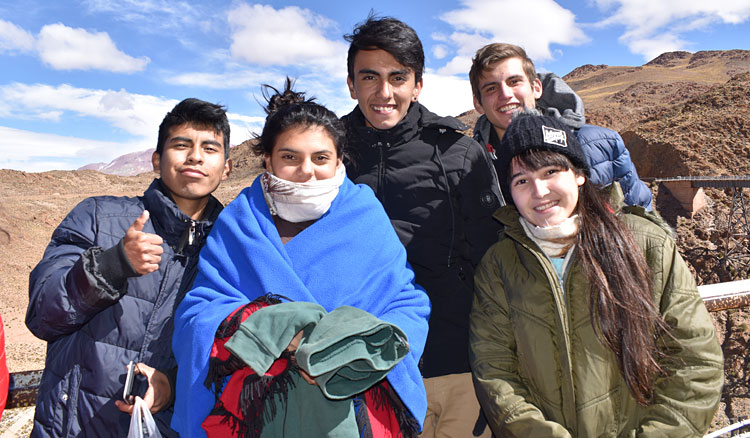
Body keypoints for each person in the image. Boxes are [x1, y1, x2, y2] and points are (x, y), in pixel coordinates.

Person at [171, 79, 430, 438]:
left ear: (339, 160)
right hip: (255, 412)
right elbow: (198, 312)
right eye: (290, 157)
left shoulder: (365, 216)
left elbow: (407, 303)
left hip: (349, 407)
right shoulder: (240, 222)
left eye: (321, 158)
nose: (306, 170)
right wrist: (277, 329)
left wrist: (350, 346)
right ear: (268, 159)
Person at [469, 112, 724, 437]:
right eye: (521, 180)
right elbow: (495, 371)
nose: (539, 190)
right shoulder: (499, 265)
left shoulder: (645, 243)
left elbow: (695, 360)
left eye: (551, 171)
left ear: (578, 174)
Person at [25, 98, 231, 437]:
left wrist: (172, 388)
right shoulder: (96, 217)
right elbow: (43, 315)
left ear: (226, 167)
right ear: (156, 159)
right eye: (181, 145)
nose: (195, 156)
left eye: (210, 148)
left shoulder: (232, 248)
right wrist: (113, 265)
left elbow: (233, 355)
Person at [341, 15, 500, 438]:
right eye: (369, 77)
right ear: (351, 83)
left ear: (418, 84)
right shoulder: (325, 154)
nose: (384, 92)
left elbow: (493, 262)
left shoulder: (459, 154)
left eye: (398, 77)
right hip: (353, 373)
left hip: (453, 370)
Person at [469, 42, 653, 209]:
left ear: (536, 88)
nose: (505, 94)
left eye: (514, 81)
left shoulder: (601, 144)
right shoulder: (467, 166)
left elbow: (641, 217)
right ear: (478, 104)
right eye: (491, 88)